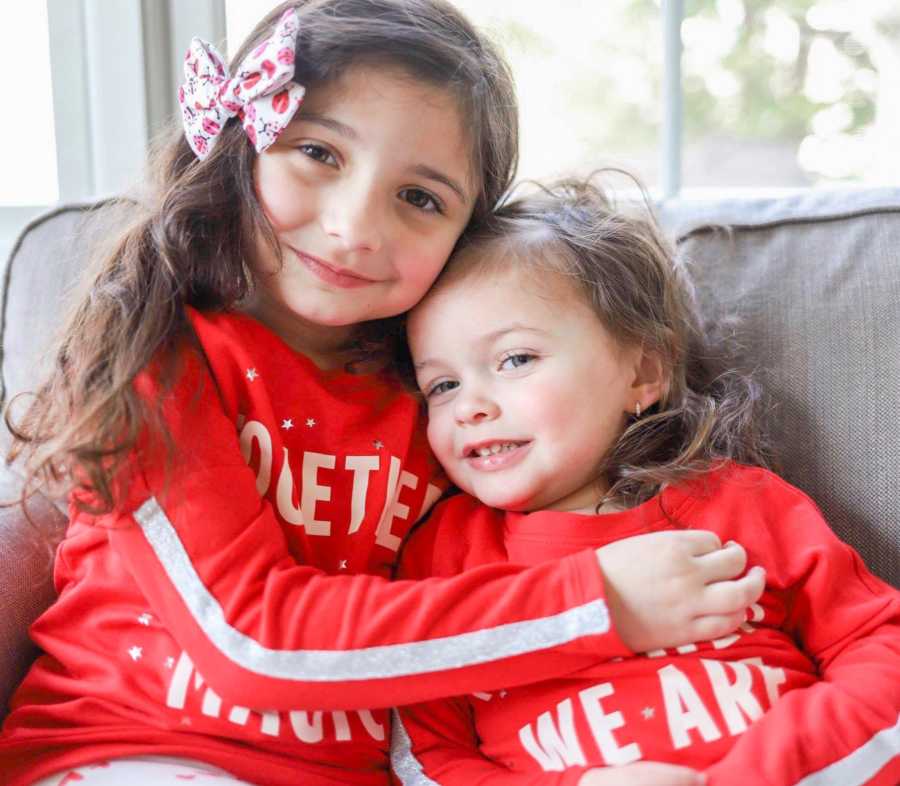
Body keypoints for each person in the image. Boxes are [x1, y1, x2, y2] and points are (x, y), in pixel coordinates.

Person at [0, 3, 764, 786]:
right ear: (240, 148)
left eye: (421, 198)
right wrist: (596, 604)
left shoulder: (449, 399)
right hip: (138, 751)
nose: (357, 227)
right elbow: (250, 643)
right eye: (319, 152)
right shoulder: (164, 361)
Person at [395, 178, 900, 786]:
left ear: (644, 371)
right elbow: (433, 756)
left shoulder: (736, 500)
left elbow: (879, 647)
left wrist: (761, 773)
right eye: (442, 385)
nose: (469, 406)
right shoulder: (442, 556)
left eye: (515, 359)